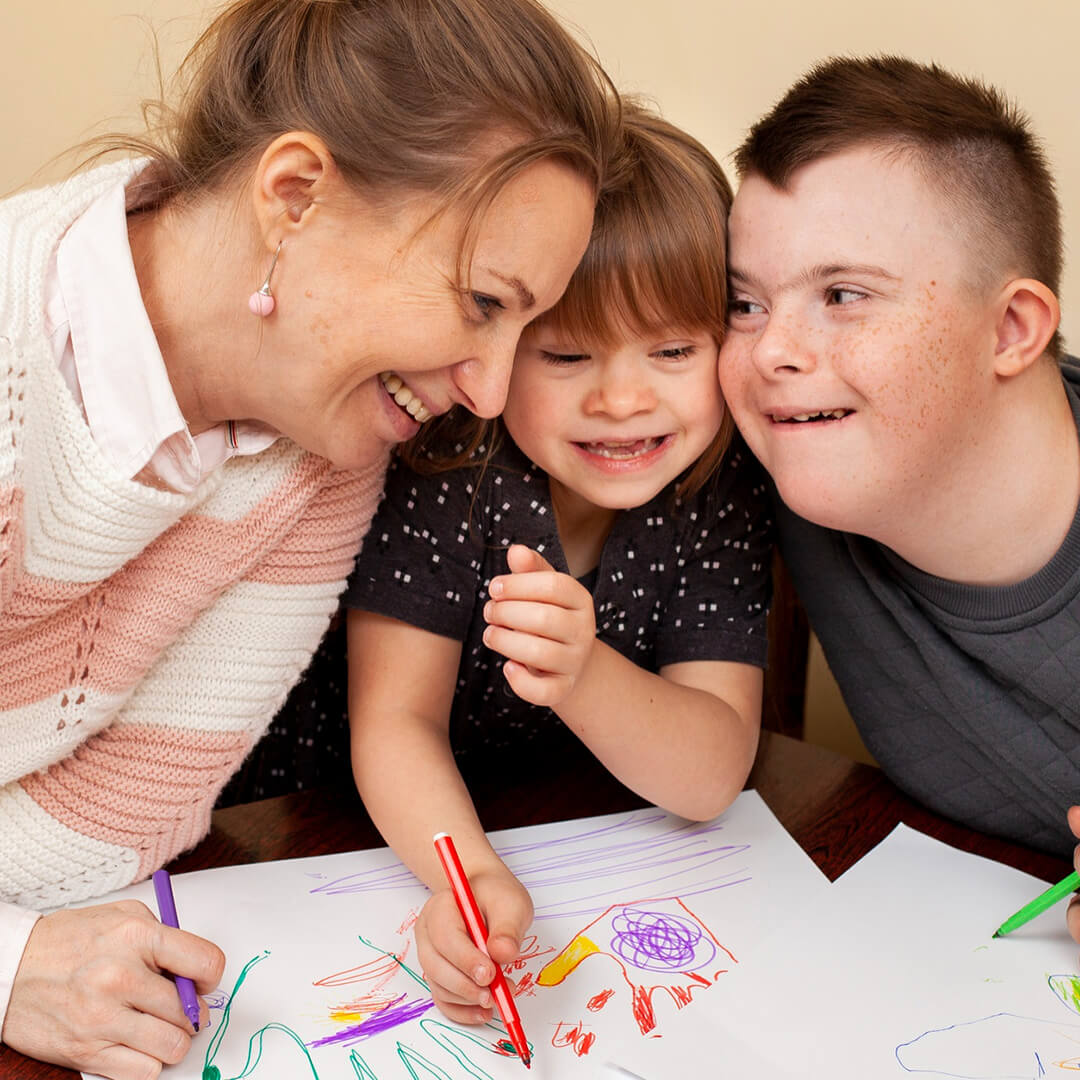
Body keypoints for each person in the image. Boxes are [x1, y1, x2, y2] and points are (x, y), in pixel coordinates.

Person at [0, 0, 620, 1074]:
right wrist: (11, 962)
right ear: (293, 198)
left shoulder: (326, 454)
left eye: (526, 328)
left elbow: (113, 826)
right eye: (481, 300)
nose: (489, 390)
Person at [345, 106, 772, 1025]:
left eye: (673, 350)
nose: (623, 399)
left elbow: (708, 776)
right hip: (364, 824)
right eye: (569, 354)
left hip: (587, 823)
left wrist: (581, 675)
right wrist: (473, 875)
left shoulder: (717, 484)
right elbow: (393, 723)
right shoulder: (450, 466)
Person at [719, 58, 1080, 868]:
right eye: (745, 303)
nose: (771, 350)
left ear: (1012, 329)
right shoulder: (791, 456)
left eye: (843, 295)